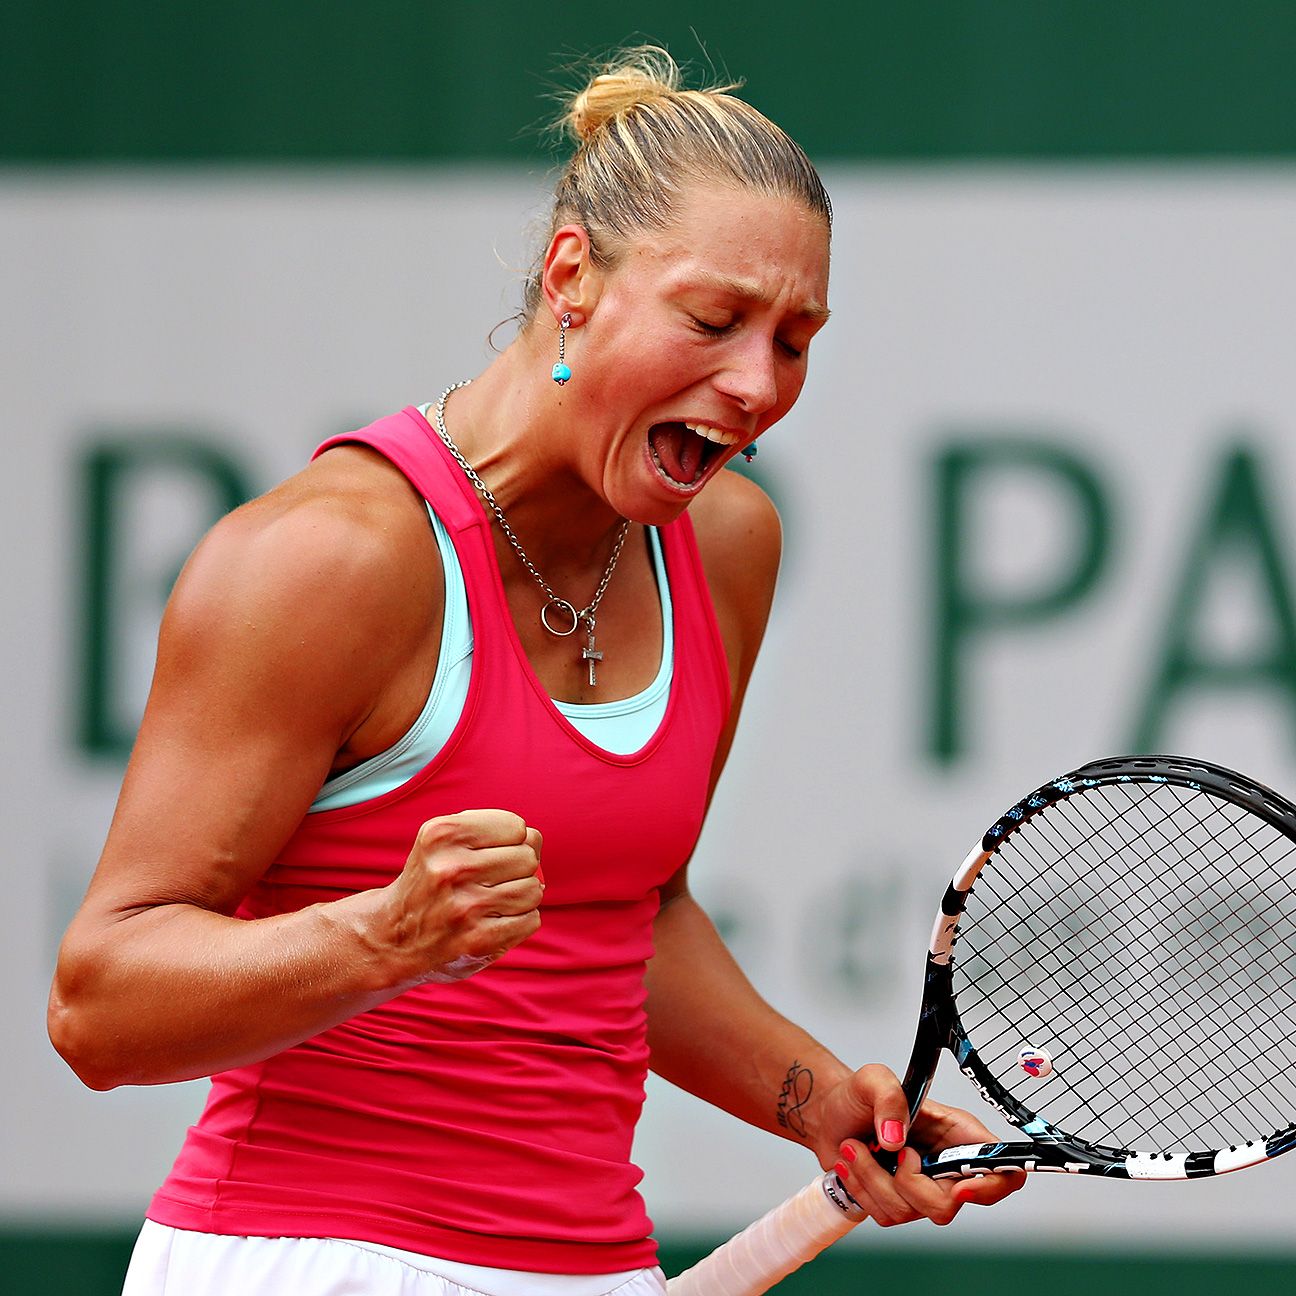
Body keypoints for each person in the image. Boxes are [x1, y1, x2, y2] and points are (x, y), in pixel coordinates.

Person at [48, 46, 1023, 1296]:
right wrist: (384, 937)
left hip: (592, 1263)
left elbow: (630, 916)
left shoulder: (728, 543)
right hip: (313, 1260)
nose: (756, 385)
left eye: (794, 340)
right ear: (573, 277)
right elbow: (99, 1007)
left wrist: (817, 1097)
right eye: (713, 321)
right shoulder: (329, 559)